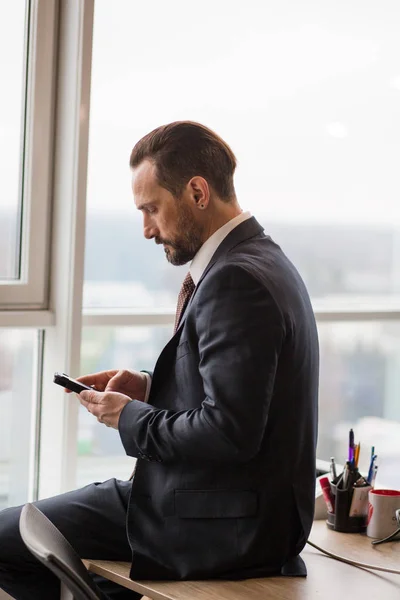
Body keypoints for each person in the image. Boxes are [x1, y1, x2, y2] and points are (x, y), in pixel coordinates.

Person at [0, 121, 319, 599]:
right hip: (228, 506)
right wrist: (149, 389)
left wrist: (129, 416)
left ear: (196, 191)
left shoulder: (237, 281)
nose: (147, 229)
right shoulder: (260, 259)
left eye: (152, 209)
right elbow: (241, 394)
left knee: (6, 538)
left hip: (223, 521)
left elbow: (231, 431)